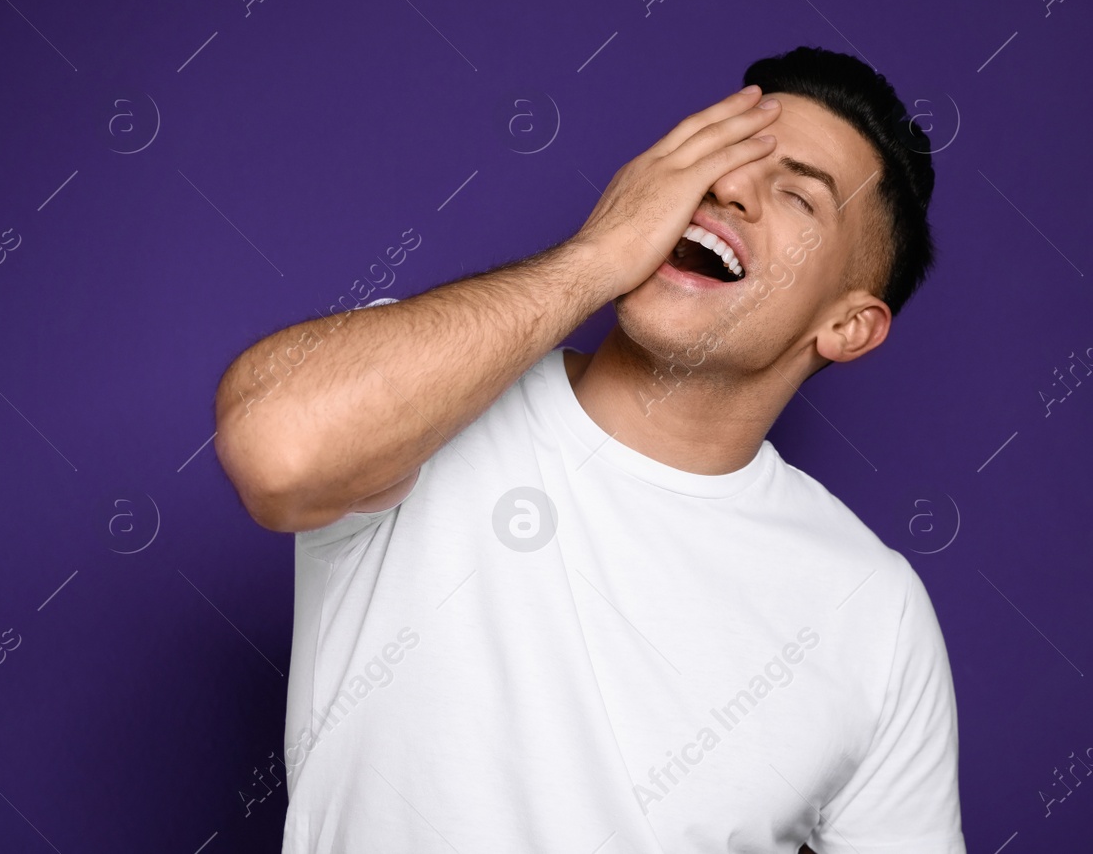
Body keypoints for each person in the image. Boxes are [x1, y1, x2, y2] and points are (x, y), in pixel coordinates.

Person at [213, 45, 965, 852]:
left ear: (847, 326)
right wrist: (595, 256)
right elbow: (274, 448)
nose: (728, 186)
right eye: (716, 152)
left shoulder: (874, 613)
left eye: (797, 195)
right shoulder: (425, 397)